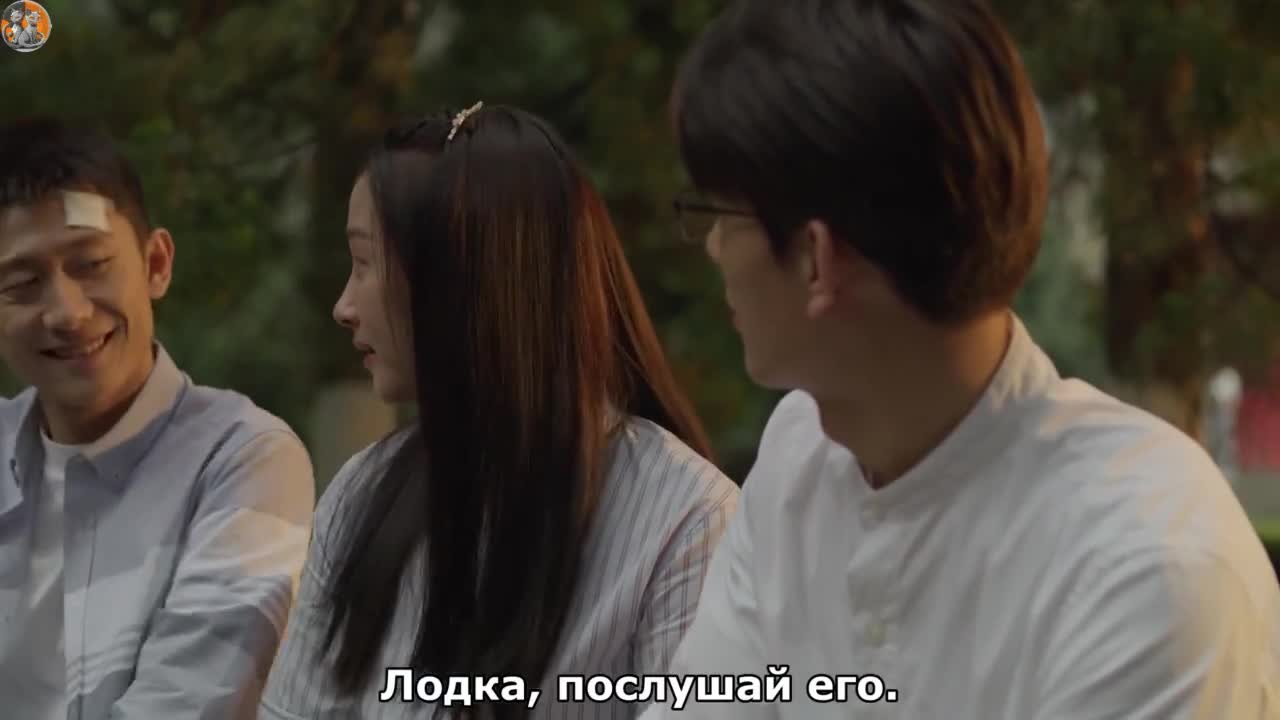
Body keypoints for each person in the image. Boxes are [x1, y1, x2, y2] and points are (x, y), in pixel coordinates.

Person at [645, 0, 1280, 717]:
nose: (712, 248)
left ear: (817, 258)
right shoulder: (799, 462)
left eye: (720, 216)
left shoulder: (1146, 564)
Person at [257, 103, 739, 720]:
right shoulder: (361, 496)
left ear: (458, 277)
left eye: (365, 264)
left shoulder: (687, 524)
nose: (344, 307)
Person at [0, 117, 316, 719]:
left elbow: (188, 706)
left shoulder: (243, 460)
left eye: (91, 264)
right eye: (22, 283)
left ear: (156, 264)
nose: (67, 312)